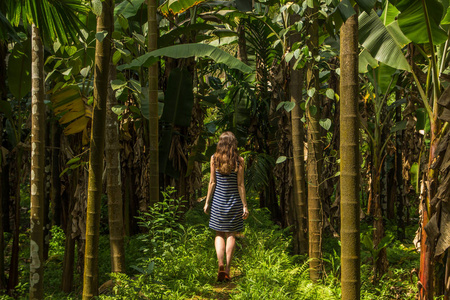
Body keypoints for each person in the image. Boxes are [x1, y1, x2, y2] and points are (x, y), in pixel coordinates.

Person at [203, 131, 249, 282]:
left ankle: (220, 264)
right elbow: (240, 185)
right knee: (231, 234)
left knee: (219, 234)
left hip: (218, 202)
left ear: (220, 144)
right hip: (234, 202)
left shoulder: (214, 159)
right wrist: (244, 206)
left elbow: (212, 182)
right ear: (233, 144)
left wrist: (207, 202)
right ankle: (228, 269)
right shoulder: (239, 160)